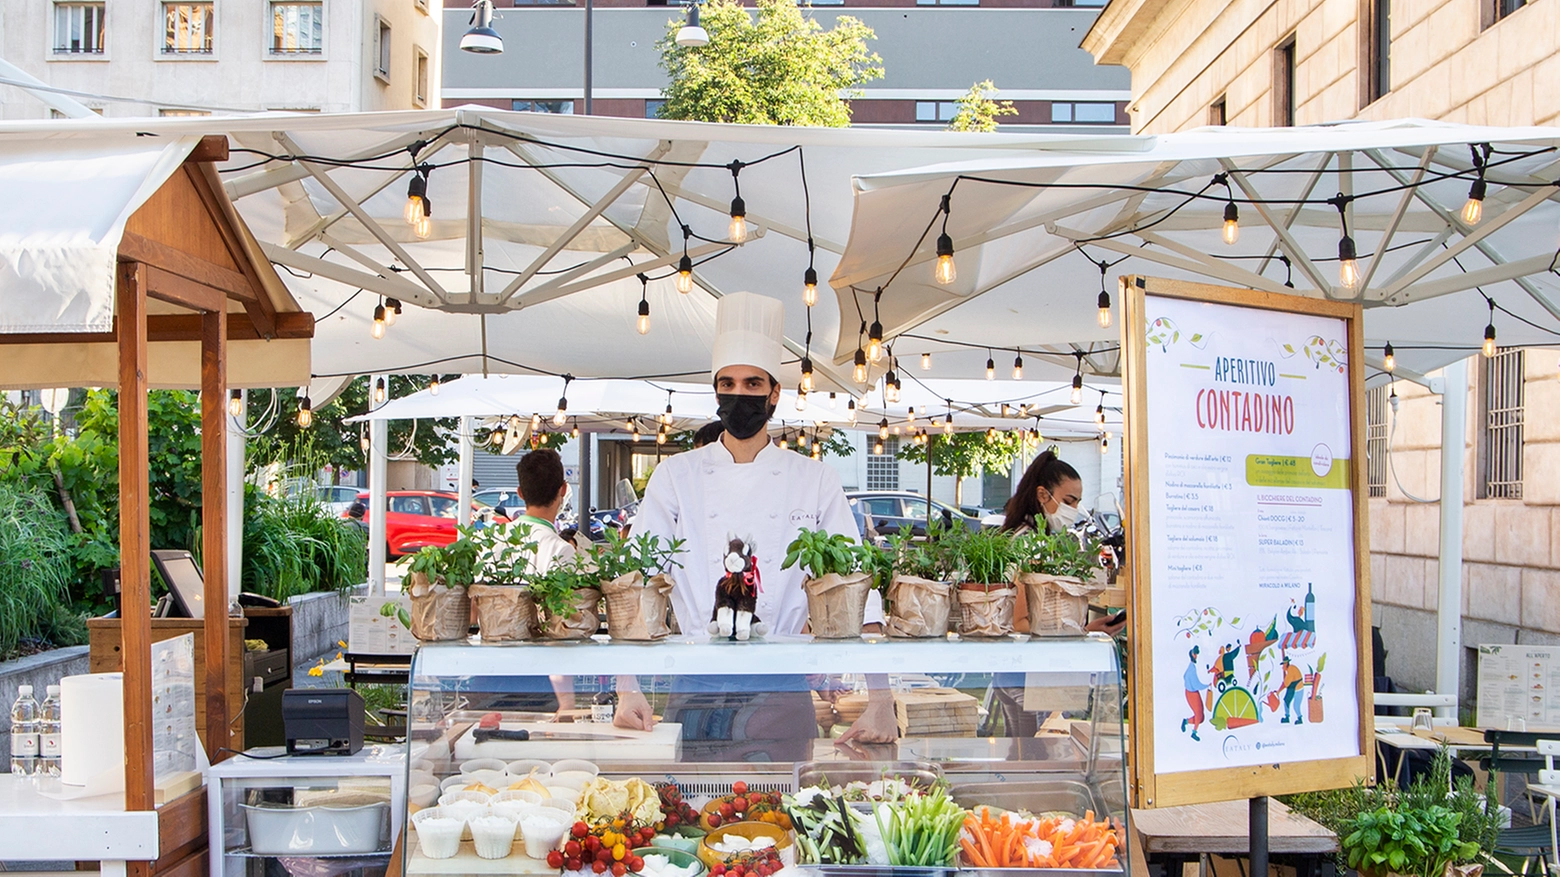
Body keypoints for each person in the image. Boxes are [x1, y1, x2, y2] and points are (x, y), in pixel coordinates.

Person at [634, 292, 895, 750]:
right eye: (728, 384)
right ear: (716, 390)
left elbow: (855, 589)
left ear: (776, 394)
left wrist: (881, 697)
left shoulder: (813, 479)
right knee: (691, 815)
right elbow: (636, 582)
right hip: (694, 681)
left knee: (784, 812)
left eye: (753, 384)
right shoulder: (677, 476)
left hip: (782, 681)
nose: (739, 396)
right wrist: (625, 686)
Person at [1001, 450, 1084, 535]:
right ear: (1042, 495)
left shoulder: (1039, 533)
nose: (1074, 510)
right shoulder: (1028, 539)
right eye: (1068, 501)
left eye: (1077, 502)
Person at [1181, 646, 1209, 741]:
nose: (1196, 656)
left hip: (1191, 692)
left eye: (1196, 654)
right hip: (1192, 693)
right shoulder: (1192, 669)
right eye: (1195, 654)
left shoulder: (1191, 667)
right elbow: (1196, 684)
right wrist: (1206, 686)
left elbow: (1184, 676)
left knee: (1201, 717)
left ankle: (1186, 721)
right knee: (1199, 714)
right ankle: (1194, 732)